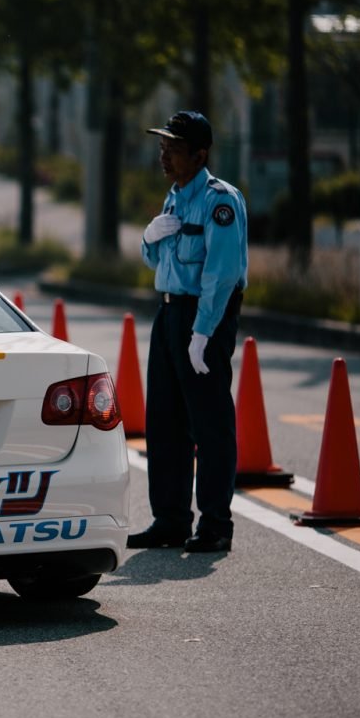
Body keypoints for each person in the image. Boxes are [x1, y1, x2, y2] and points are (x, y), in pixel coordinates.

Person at [127, 111, 249, 554]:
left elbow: (221, 273)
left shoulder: (220, 201)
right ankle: (171, 519)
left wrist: (202, 333)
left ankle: (216, 524)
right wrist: (148, 237)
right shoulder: (174, 197)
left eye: (173, 149)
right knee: (164, 420)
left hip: (204, 318)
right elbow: (157, 260)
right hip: (169, 313)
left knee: (210, 423)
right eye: (162, 148)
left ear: (199, 155)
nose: (164, 157)